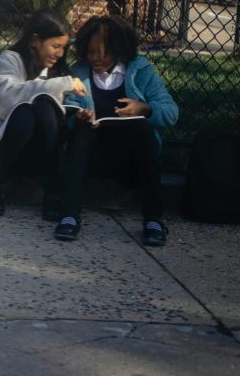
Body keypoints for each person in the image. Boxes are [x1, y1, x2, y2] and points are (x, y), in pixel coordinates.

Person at [53, 15, 178, 246]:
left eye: (104, 52)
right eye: (90, 51)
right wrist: (79, 116)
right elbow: (69, 109)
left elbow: (171, 112)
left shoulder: (140, 71)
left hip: (130, 155)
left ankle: (153, 219)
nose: (96, 58)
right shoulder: (80, 72)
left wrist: (145, 109)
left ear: (120, 49)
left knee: (141, 127)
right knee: (81, 131)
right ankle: (69, 214)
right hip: (93, 152)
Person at [0, 9, 87, 217]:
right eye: (55, 46)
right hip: (7, 145)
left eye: (63, 48)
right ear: (35, 40)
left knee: (45, 106)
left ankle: (51, 192)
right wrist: (60, 85)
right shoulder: (10, 60)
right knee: (25, 113)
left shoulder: (59, 71)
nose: (60, 54)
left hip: (42, 150)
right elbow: (5, 97)